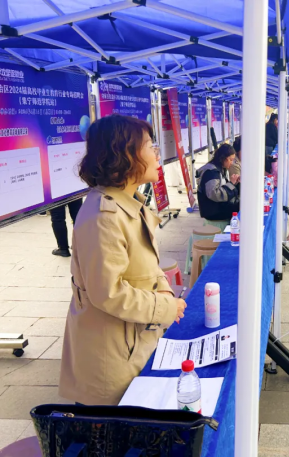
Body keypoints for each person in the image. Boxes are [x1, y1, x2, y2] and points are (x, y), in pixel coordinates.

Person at [59, 115, 186, 405]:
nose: (157, 154)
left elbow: (144, 267)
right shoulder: (104, 216)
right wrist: (166, 307)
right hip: (112, 356)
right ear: (125, 154)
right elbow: (109, 293)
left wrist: (164, 290)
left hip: (133, 340)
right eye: (149, 146)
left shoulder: (126, 203)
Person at [197, 144, 240, 221]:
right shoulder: (211, 172)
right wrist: (231, 184)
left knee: (242, 204)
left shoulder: (220, 168)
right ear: (223, 158)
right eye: (230, 160)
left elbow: (223, 187)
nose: (232, 163)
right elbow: (215, 194)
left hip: (218, 206)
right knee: (242, 207)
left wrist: (236, 183)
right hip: (212, 211)